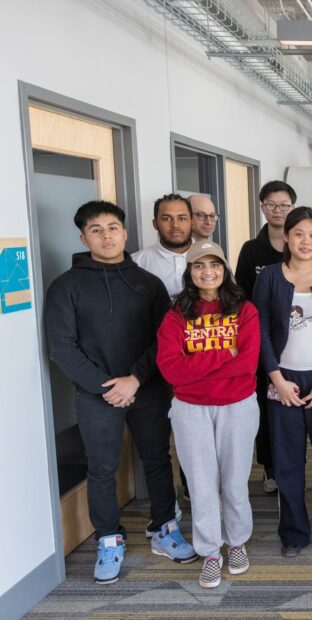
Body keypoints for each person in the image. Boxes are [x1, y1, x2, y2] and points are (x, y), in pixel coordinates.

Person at [45, 201, 195, 585]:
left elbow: (164, 341)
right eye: (96, 230)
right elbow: (62, 347)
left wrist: (134, 380)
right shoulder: (66, 286)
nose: (106, 235)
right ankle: (109, 538)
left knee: (158, 460)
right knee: (102, 469)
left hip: (145, 387)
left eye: (113, 227)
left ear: (125, 233)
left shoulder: (148, 283)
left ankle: (165, 528)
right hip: (96, 395)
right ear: (83, 237)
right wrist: (105, 386)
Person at [156, 240, 259, 589]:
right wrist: (223, 354)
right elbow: (171, 370)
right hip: (191, 410)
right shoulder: (176, 314)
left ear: (224, 270)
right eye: (199, 266)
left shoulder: (244, 310)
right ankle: (210, 551)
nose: (207, 272)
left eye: (214, 265)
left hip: (237, 406)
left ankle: (237, 543)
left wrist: (196, 365)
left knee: (233, 480)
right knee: (201, 483)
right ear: (190, 272)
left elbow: (248, 362)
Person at [253, 207, 312, 558]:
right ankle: (293, 532)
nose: (305, 241)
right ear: (286, 237)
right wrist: (276, 379)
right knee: (287, 460)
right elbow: (260, 333)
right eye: (299, 234)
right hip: (283, 379)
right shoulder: (268, 277)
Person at [235, 180, 295, 495]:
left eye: (284, 205)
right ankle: (269, 467)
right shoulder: (251, 250)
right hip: (262, 341)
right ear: (262, 207)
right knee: (266, 404)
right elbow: (241, 296)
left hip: (298, 338)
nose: (278, 211)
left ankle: (294, 465)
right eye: (271, 204)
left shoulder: (302, 244)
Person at [133, 194, 193, 298]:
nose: (175, 225)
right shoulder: (136, 263)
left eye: (182, 218)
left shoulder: (214, 258)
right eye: (166, 218)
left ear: (192, 222)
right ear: (155, 224)